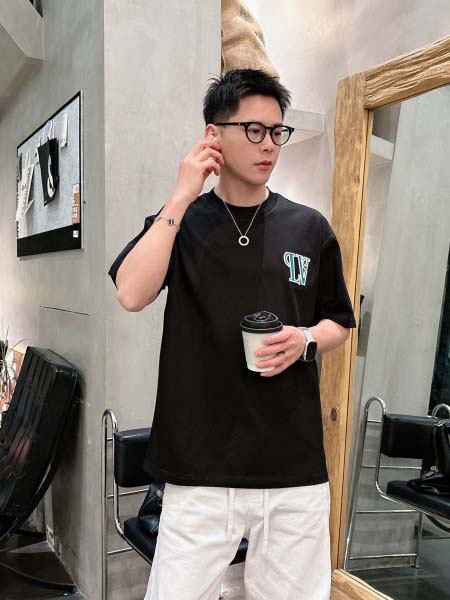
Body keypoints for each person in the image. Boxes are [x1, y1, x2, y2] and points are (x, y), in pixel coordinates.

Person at [108, 68, 356, 600]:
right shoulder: (182, 223)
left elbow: (339, 319)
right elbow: (130, 293)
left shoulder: (309, 227)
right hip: (199, 466)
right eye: (253, 130)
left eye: (277, 131)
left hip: (292, 465)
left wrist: (306, 340)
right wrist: (181, 196)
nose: (269, 145)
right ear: (213, 134)